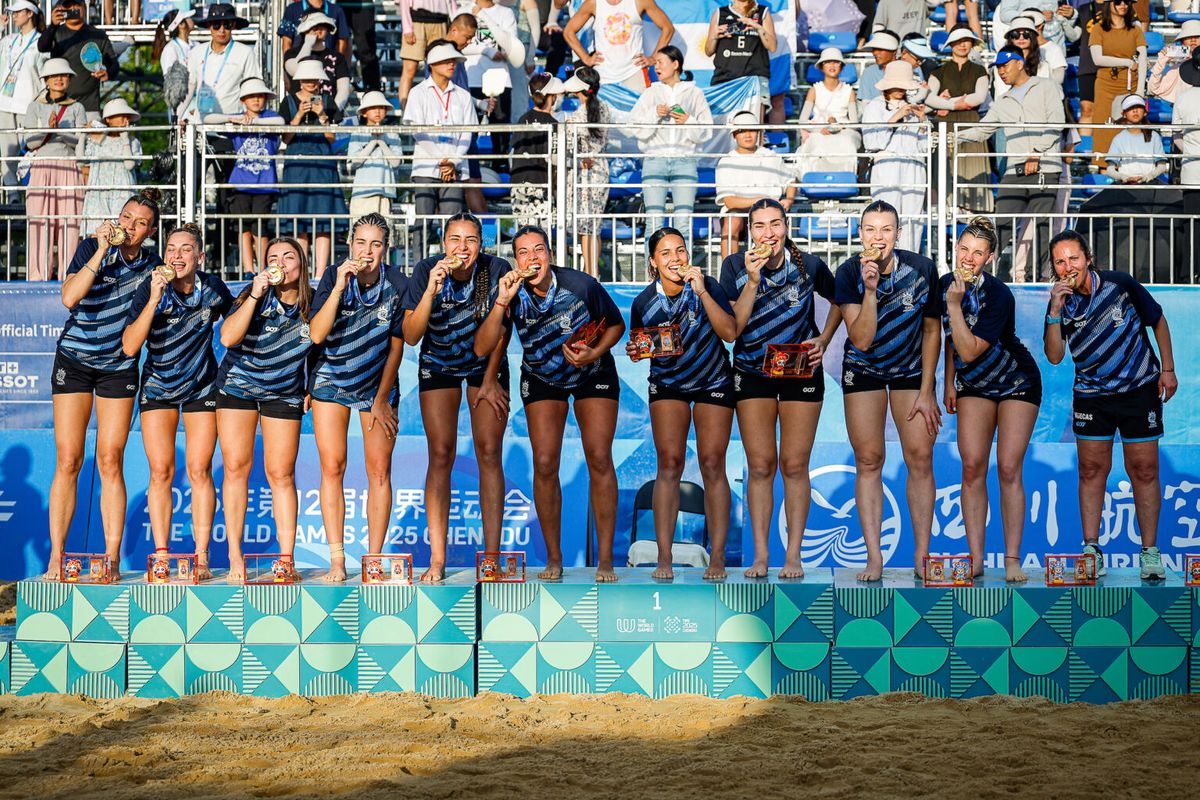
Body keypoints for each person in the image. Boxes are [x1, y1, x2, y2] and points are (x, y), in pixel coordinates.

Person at [474, 225, 625, 582]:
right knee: (544, 463)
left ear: (550, 255)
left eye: (538, 249)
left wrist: (593, 354)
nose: (532, 258)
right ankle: (554, 559)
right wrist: (501, 301)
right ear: (516, 260)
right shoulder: (511, 292)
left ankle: (605, 560)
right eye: (523, 252)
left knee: (599, 457)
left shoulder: (581, 285)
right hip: (542, 375)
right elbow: (484, 346)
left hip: (593, 371)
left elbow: (616, 326)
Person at [1043, 229, 1176, 581]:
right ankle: (1091, 550)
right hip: (1092, 395)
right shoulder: (1060, 302)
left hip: (1139, 389)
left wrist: (1168, 369)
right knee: (1091, 470)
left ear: (1088, 258)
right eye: (1060, 262)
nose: (1068, 267)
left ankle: (1150, 552)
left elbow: (1157, 320)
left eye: (1074, 258)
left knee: (1144, 469)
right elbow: (1054, 356)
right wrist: (1054, 311)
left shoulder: (1120, 284)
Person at [46, 190, 164, 581]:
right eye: (126, 217)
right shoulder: (90, 247)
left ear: (150, 232)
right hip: (75, 360)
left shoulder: (153, 266)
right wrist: (100, 250)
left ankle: (111, 559)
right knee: (69, 459)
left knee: (111, 459)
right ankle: (57, 558)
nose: (130, 226)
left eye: (140, 223)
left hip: (118, 367)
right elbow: (69, 298)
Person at [720, 200, 841, 579]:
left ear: (787, 227)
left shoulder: (810, 266)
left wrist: (824, 338)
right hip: (752, 371)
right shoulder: (734, 267)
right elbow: (733, 328)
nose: (768, 233)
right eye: (759, 226)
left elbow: (841, 300)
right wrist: (753, 281)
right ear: (749, 231)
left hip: (800, 371)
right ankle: (760, 556)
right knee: (760, 466)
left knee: (794, 465)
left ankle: (793, 556)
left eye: (775, 224)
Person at [834, 200, 942, 582]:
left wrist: (928, 388)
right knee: (869, 460)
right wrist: (870, 290)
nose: (877, 238)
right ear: (859, 233)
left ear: (898, 233)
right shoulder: (848, 271)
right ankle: (874, 557)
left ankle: (922, 555)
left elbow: (932, 330)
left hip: (910, 371)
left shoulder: (922, 269)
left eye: (885, 230)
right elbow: (861, 339)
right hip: (863, 369)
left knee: (921, 458)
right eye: (870, 230)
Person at [402, 212, 511, 582]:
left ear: (481, 244)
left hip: (485, 363)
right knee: (441, 454)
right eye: (455, 239)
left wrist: (491, 379)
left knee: (489, 453)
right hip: (439, 362)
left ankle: (492, 559)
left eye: (471, 240)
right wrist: (431, 291)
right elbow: (411, 336)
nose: (462, 248)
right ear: (443, 242)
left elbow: (503, 330)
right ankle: (437, 560)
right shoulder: (426, 270)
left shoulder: (495, 270)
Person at [121, 223, 233, 581]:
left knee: (200, 470)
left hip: (201, 386)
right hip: (159, 388)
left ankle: (201, 556)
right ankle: (161, 555)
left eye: (186, 249)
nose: (177, 255)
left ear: (200, 257)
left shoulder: (213, 289)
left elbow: (236, 328)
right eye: (171, 249)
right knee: (161, 472)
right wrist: (154, 299)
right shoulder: (150, 287)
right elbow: (130, 346)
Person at [628, 227, 737, 580]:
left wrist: (702, 291)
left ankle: (717, 557)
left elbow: (730, 333)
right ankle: (664, 558)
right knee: (669, 464)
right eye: (666, 253)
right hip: (668, 384)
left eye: (680, 250)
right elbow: (641, 345)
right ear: (653, 262)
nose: (675, 259)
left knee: (712, 463)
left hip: (713, 380)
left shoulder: (708, 286)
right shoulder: (643, 302)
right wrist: (636, 351)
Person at [308, 214, 407, 582]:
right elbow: (317, 335)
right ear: (350, 245)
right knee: (332, 467)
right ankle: (337, 560)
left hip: (376, 384)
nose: (367, 251)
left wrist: (381, 399)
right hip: (331, 377)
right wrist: (337, 288)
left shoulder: (398, 284)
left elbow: (398, 345)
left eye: (376, 244)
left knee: (379, 471)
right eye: (361, 243)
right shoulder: (333, 276)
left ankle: (374, 559)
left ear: (386, 249)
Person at [941, 218, 1040, 583]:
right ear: (956, 250)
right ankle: (976, 559)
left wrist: (954, 306)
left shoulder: (999, 294)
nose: (969, 258)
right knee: (972, 467)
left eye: (978, 253)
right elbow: (946, 340)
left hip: (1017, 381)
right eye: (964, 249)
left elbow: (968, 350)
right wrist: (948, 383)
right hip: (974, 384)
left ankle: (1012, 560)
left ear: (990, 258)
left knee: (1009, 468)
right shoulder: (942, 285)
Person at [216, 237, 315, 583]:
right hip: (238, 385)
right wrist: (256, 295)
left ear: (302, 264)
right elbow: (227, 338)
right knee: (235, 468)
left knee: (281, 473)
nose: (281, 263)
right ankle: (235, 556)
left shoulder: (313, 302)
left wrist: (311, 385)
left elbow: (322, 344)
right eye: (273, 258)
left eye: (288, 257)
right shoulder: (251, 294)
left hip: (284, 390)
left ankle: (286, 559)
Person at [955, 46, 1066, 279]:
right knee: (1001, 224)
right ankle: (981, 276)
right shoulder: (1002, 100)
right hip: (1015, 168)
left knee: (1042, 226)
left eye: (1005, 66)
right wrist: (952, 136)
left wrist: (1036, 152)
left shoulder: (1046, 86)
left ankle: (1038, 278)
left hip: (1045, 167)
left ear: (1019, 63)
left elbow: (1056, 122)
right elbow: (983, 130)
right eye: (998, 68)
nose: (1002, 72)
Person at [629, 46, 713, 246]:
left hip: (685, 160)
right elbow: (634, 126)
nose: (656, 67)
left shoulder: (694, 93)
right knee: (653, 222)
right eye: (655, 63)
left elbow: (707, 130)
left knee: (683, 222)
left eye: (660, 62)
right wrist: (654, 114)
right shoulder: (651, 92)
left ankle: (683, 266)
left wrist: (688, 120)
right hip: (655, 160)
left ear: (675, 64)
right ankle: (652, 265)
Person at [402, 41, 474, 256]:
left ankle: (454, 267)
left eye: (453, 60)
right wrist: (445, 161)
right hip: (426, 167)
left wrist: (452, 161)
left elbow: (468, 133)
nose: (452, 64)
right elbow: (417, 131)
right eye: (446, 60)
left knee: (454, 226)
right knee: (423, 223)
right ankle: (419, 268)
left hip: (454, 168)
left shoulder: (463, 95)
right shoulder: (418, 92)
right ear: (432, 64)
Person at [204, 77, 282, 274]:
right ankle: (248, 270)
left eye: (260, 96)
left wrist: (254, 122)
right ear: (243, 100)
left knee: (260, 229)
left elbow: (280, 122)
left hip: (265, 184)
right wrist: (233, 119)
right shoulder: (237, 118)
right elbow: (208, 120)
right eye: (251, 96)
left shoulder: (270, 116)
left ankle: (264, 269)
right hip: (240, 184)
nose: (256, 100)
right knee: (243, 228)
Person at [278, 59, 346, 278]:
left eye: (314, 79)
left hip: (323, 165)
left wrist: (322, 115)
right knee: (299, 222)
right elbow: (286, 139)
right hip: (297, 166)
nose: (310, 83)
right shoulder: (288, 102)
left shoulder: (328, 101)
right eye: (306, 79)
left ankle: (320, 273)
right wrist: (298, 115)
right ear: (299, 80)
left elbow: (332, 138)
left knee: (323, 221)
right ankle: (302, 273)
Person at [22, 57, 86, 280]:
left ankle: (69, 276)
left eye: (64, 75)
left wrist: (58, 130)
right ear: (46, 80)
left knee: (71, 223)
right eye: (54, 76)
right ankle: (37, 276)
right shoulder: (34, 106)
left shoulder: (77, 107)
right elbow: (30, 143)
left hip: (69, 166)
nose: (59, 79)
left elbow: (80, 141)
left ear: (69, 79)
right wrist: (47, 130)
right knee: (39, 222)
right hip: (42, 166)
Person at [862, 61, 929, 254]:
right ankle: (882, 260)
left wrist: (922, 121)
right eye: (897, 84)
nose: (901, 89)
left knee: (913, 218)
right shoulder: (875, 106)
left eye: (904, 85)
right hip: (887, 164)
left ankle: (910, 262)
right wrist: (895, 117)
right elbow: (872, 142)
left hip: (914, 165)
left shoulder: (913, 107)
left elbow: (924, 146)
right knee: (885, 217)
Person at [926, 26, 992, 213]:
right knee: (945, 166)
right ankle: (946, 209)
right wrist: (955, 104)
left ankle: (973, 210)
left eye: (966, 41)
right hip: (944, 124)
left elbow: (979, 97)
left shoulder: (980, 70)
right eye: (958, 41)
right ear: (951, 44)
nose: (962, 45)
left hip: (970, 122)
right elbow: (929, 99)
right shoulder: (938, 71)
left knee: (972, 165)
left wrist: (945, 103)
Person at [715, 109, 795, 259]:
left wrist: (789, 199)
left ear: (758, 132)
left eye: (752, 130)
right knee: (732, 221)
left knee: (770, 221)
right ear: (734, 135)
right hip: (740, 212)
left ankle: (775, 267)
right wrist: (759, 201)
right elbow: (729, 201)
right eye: (742, 131)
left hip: (769, 210)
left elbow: (791, 181)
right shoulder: (726, 162)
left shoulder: (771, 156)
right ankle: (729, 269)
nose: (748, 135)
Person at [562, 0, 675, 91]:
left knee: (641, 113)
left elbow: (668, 28)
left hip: (634, 72)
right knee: (604, 113)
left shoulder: (640, 1)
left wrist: (654, 58)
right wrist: (586, 58)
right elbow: (568, 31)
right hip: (604, 76)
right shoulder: (593, 3)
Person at [562, 67, 610, 277]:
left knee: (585, 226)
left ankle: (590, 273)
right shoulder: (605, 108)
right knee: (593, 226)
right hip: (600, 169)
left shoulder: (576, 116)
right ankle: (591, 271)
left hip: (584, 171)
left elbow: (569, 148)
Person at [179, 3, 261, 121]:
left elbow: (254, 89)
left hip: (232, 125)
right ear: (209, 26)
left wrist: (252, 118)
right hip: (201, 124)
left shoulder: (245, 53)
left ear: (233, 25)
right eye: (216, 25)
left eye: (227, 25)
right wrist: (179, 117)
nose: (222, 30)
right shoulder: (196, 52)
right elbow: (189, 87)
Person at [37, 0, 117, 119]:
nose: (73, 8)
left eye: (77, 5)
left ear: (84, 7)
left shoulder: (98, 35)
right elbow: (42, 47)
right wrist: (53, 25)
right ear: (62, 10)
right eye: (69, 6)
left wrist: (108, 73)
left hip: (89, 107)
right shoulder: (55, 33)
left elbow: (114, 64)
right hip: (60, 105)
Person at [1090, 0, 1147, 160]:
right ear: (1109, 4)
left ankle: (1129, 168)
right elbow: (1097, 59)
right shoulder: (1098, 28)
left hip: (1130, 86)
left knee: (1129, 130)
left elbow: (1142, 59)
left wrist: (1140, 91)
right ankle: (1103, 168)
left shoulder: (1135, 29)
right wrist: (1126, 62)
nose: (1123, 5)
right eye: (1118, 1)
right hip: (1105, 86)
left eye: (1127, 2)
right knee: (1104, 130)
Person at [704, 0, 778, 121]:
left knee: (754, 126)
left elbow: (772, 47)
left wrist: (758, 27)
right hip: (725, 79)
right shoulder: (720, 13)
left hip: (754, 80)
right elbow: (708, 51)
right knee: (723, 127)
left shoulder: (762, 12)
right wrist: (714, 37)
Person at [463, 0, 519, 155]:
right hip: (472, 79)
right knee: (468, 134)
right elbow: (458, 45)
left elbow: (510, 45)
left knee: (500, 135)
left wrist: (483, 15)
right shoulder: (463, 11)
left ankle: (500, 166)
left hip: (500, 80)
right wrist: (487, 51)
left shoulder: (506, 13)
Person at [0, 0, 46, 189]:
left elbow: (45, 75)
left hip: (27, 104)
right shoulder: (8, 40)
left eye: (18, 12)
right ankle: (12, 194)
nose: (14, 16)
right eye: (13, 12)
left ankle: (29, 191)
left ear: (30, 13)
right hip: (4, 103)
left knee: (29, 150)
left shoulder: (41, 41)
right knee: (6, 152)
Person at [80, 98, 143, 236]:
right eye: (120, 115)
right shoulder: (97, 140)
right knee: (97, 233)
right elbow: (81, 161)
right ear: (108, 119)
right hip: (100, 191)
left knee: (122, 233)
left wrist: (125, 138)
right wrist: (83, 135)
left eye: (127, 116)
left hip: (122, 190)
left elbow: (129, 165)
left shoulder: (133, 142)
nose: (125, 119)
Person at [510, 71, 563, 228]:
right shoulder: (553, 124)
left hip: (518, 181)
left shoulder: (522, 118)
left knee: (523, 232)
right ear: (552, 97)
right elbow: (555, 158)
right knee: (541, 234)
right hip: (541, 183)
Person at [797, 47, 860, 176]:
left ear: (841, 66)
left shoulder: (849, 91)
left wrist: (838, 126)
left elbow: (854, 122)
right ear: (822, 67)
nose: (832, 65)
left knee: (848, 144)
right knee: (817, 145)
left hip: (843, 131)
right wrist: (819, 129)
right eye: (827, 62)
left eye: (836, 62)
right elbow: (802, 120)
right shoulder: (814, 90)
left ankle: (846, 179)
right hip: (819, 131)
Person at [347, 91, 402, 221]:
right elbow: (353, 163)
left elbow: (396, 163)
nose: (377, 111)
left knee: (384, 229)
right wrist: (373, 142)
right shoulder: (358, 133)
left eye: (381, 107)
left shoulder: (392, 134)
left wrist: (381, 141)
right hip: (362, 192)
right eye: (372, 108)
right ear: (364, 112)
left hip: (385, 192)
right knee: (361, 227)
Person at [283, 13, 352, 112]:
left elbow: (343, 89)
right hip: (297, 110)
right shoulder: (292, 53)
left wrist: (333, 112)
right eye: (313, 27)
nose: (318, 30)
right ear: (304, 29)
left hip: (327, 109)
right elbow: (296, 70)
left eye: (323, 26)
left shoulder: (337, 57)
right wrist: (308, 43)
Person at [397, 0, 455, 108]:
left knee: (440, 70)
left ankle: (439, 109)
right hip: (417, 20)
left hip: (440, 20)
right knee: (409, 69)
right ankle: (405, 112)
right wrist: (407, 28)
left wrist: (454, 18)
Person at [1104, 94, 1168, 183]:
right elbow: (1110, 169)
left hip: (1149, 183)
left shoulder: (1154, 136)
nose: (1135, 111)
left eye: (1139, 107)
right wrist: (1124, 177)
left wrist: (1148, 177)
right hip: (1126, 184)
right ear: (1124, 114)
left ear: (1145, 112)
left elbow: (1162, 166)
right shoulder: (1118, 139)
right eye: (1130, 108)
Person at [276, 0, 350, 67]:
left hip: (327, 66)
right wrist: (288, 66)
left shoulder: (336, 10)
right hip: (300, 64)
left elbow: (342, 41)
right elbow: (286, 42)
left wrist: (337, 66)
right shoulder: (292, 9)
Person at [152, 9, 195, 122]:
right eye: (187, 18)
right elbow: (172, 87)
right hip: (183, 113)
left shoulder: (196, 45)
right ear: (181, 25)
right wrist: (180, 114)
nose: (192, 19)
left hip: (201, 107)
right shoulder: (170, 49)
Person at [1174, 48, 1200, 218]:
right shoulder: (1182, 97)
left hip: (1191, 170)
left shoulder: (1182, 97)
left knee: (1192, 224)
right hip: (1191, 171)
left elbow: (1176, 136)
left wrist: (1191, 151)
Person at [1147, 19, 1200, 102]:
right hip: (1184, 107)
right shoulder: (1178, 69)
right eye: (1188, 37)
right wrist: (1161, 62)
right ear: (1182, 42)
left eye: (1197, 36)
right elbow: (1153, 89)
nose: (1193, 40)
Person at [336, 0, 380, 90]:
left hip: (364, 5)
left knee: (366, 50)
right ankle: (337, 86)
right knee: (337, 48)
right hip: (340, 5)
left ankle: (372, 91)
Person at [857, 29, 900, 106]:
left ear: (894, 51)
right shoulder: (869, 72)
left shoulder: (911, 69)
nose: (875, 53)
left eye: (880, 49)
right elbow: (865, 104)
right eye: (874, 49)